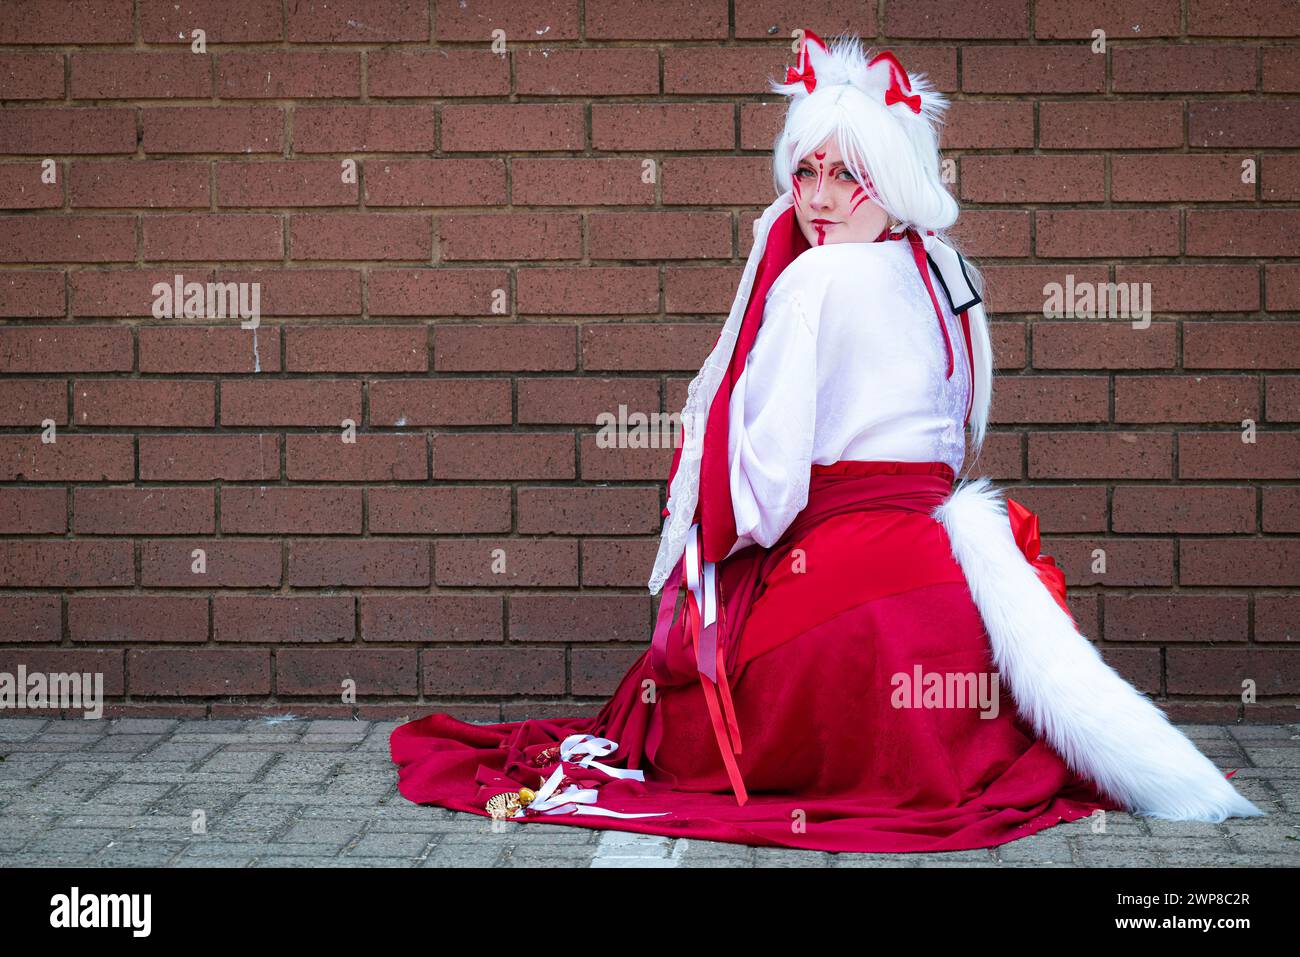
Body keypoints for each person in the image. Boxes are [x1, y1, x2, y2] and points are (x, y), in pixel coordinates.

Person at [389, 30, 1263, 853]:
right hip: (953, 587)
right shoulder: (950, 273)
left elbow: (763, 494)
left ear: (889, 178)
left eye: (848, 174)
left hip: (856, 597)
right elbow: (961, 435)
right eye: (806, 172)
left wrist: (713, 552)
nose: (818, 198)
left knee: (676, 728)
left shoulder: (814, 279)